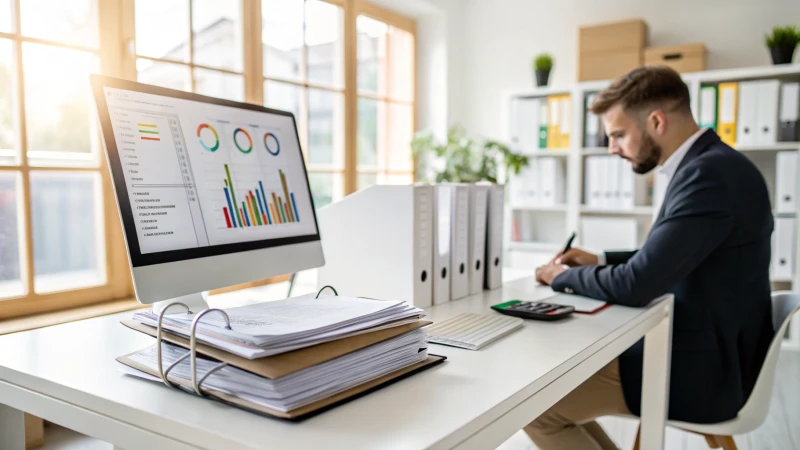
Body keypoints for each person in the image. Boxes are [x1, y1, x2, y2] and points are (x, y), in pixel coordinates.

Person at [526, 66, 775, 450]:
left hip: (703, 371)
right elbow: (674, 252)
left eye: (619, 135)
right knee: (555, 389)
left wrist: (558, 276)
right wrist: (599, 258)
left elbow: (637, 284)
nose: (612, 148)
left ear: (656, 121)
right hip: (715, 351)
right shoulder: (713, 163)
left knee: (535, 407)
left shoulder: (708, 175)